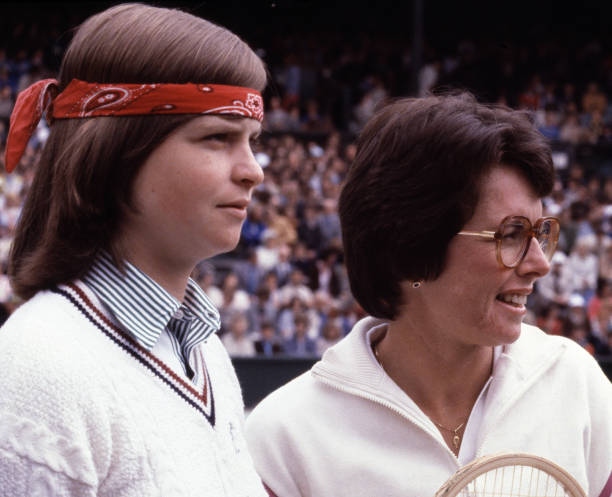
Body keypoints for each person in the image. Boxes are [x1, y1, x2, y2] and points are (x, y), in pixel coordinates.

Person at [245, 93, 612, 497]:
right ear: (411, 250)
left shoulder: (576, 384)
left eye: (541, 234)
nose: (539, 263)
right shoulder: (283, 439)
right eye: (510, 235)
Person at [0, 4, 270, 496]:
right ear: (116, 152)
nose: (254, 170)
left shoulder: (204, 350)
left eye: (252, 140)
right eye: (218, 137)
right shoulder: (40, 368)